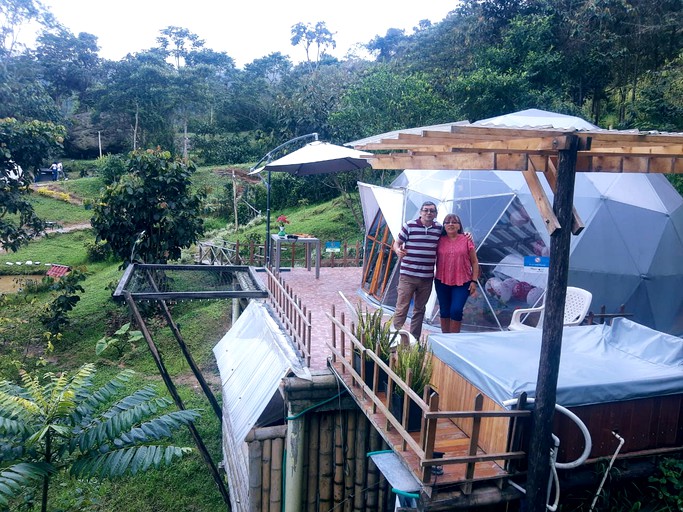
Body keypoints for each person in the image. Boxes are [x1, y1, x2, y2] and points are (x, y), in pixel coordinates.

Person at [392, 201, 443, 340]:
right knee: (401, 308)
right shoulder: (409, 225)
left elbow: (452, 237)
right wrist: (397, 250)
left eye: (431, 211)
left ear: (435, 214)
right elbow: (397, 242)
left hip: (426, 278)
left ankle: (414, 340)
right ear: (420, 212)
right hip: (408, 276)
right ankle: (393, 339)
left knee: (419, 310)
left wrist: (466, 234)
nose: (428, 213)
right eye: (426, 210)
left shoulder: (439, 229)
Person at [434, 213, 480, 333]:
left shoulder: (466, 240)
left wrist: (474, 281)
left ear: (459, 226)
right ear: (443, 226)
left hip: (462, 282)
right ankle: (445, 338)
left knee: (456, 310)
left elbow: (474, 262)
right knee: (444, 310)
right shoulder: (439, 240)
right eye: (447, 222)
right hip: (442, 281)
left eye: (454, 222)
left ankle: (454, 339)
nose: (451, 224)